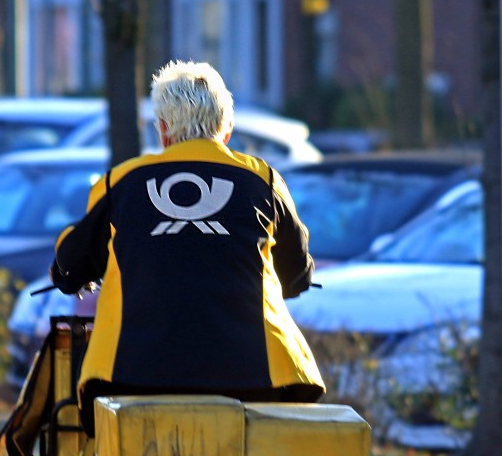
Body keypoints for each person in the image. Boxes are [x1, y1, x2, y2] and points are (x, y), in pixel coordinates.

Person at [50, 60, 324, 434]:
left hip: (128, 376)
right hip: (262, 378)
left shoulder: (120, 184)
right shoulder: (264, 182)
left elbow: (70, 265)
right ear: (226, 129)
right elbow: (296, 274)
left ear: (162, 130)